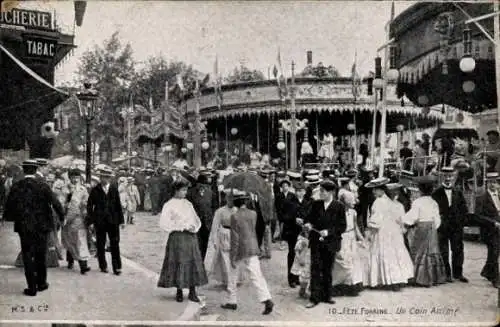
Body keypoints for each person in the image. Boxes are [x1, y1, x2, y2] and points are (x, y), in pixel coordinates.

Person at [3, 160, 65, 296]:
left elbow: (9, 207)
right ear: (36, 170)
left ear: (24, 170)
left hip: (24, 227)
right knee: (40, 254)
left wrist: (12, 218)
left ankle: (31, 287)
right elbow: (55, 203)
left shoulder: (17, 186)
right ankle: (41, 283)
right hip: (42, 226)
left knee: (27, 255)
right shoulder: (43, 185)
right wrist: (62, 217)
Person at [221, 190, 274, 315]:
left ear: (235, 203)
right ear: (246, 201)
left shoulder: (234, 216)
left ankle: (232, 301)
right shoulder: (253, 214)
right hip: (253, 246)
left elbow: (235, 238)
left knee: (232, 275)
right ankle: (267, 299)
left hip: (240, 249)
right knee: (257, 275)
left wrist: (233, 257)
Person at [157, 179, 208, 302]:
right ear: (176, 190)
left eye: (186, 190)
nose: (185, 192)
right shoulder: (169, 205)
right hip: (177, 237)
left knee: (192, 262)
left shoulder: (188, 204)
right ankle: (179, 290)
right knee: (178, 261)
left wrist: (193, 227)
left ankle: (192, 291)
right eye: (183, 190)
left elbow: (195, 219)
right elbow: (164, 223)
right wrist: (180, 227)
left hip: (190, 236)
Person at [300, 179, 346, 308]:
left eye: (323, 191)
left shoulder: (339, 206)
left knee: (327, 269)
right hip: (316, 242)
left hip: (330, 243)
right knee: (315, 269)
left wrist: (329, 232)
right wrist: (308, 224)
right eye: (320, 191)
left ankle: (327, 295)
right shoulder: (316, 204)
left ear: (331, 192)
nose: (320, 193)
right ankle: (314, 298)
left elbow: (342, 226)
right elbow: (309, 218)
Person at [364, 177, 414, 291]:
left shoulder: (378, 202)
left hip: (383, 231)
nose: (373, 192)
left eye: (375, 189)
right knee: (394, 254)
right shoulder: (392, 202)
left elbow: (376, 221)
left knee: (383, 253)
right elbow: (399, 218)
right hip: (393, 232)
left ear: (381, 190)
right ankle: (395, 279)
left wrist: (370, 229)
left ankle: (384, 279)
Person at [401, 176, 447, 287]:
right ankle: (434, 277)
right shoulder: (433, 202)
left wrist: (403, 220)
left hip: (422, 227)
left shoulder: (418, 202)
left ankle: (419, 278)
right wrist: (433, 227)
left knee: (418, 250)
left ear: (420, 190)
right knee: (431, 250)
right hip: (431, 227)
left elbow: (412, 217)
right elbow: (437, 219)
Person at [432, 166, 469, 283]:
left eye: (450, 176)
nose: (448, 178)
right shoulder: (436, 193)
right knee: (443, 250)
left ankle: (458, 274)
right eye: (445, 176)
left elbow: (464, 209)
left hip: (456, 226)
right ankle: (446, 274)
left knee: (458, 249)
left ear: (453, 177)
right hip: (442, 227)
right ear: (441, 176)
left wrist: (462, 222)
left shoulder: (458, 192)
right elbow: (434, 210)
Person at [87, 168, 125, 275]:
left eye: (108, 177)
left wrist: (121, 220)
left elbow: (118, 205)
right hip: (100, 221)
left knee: (115, 244)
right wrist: (91, 221)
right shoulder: (95, 190)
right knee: (100, 243)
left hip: (113, 221)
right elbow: (89, 206)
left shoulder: (114, 189)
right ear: (100, 178)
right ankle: (103, 265)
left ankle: (117, 267)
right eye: (103, 177)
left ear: (110, 178)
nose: (106, 179)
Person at [332, 191, 365, 296]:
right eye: (352, 200)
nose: (355, 202)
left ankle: (350, 286)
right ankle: (336, 285)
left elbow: (355, 227)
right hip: (342, 238)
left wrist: (362, 239)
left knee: (353, 262)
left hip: (351, 239)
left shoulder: (353, 212)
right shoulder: (337, 212)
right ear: (345, 201)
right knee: (341, 263)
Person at [204, 188, 237, 286]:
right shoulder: (220, 211)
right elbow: (215, 226)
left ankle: (235, 278)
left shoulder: (237, 210)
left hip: (235, 234)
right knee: (225, 258)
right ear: (225, 199)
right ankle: (227, 280)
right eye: (228, 198)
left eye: (232, 198)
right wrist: (214, 239)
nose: (230, 200)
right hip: (224, 235)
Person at [61, 169, 91, 275]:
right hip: (68, 218)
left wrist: (85, 207)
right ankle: (70, 260)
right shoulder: (65, 189)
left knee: (81, 241)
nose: (75, 179)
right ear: (69, 178)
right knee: (70, 240)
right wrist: (66, 204)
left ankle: (84, 265)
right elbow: (60, 202)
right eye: (73, 177)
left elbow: (87, 202)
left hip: (79, 219)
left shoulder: (83, 189)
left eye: (77, 177)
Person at [474, 172, 500, 288]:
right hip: (489, 230)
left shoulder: (499, 196)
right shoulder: (481, 198)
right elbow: (478, 216)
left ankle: (486, 271)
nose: (494, 184)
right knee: (494, 252)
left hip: (499, 230)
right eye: (491, 182)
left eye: (496, 182)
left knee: (494, 253)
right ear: (487, 183)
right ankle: (496, 279)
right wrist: (493, 223)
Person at [276, 179, 301, 288]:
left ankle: (297, 277)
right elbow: (280, 212)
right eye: (299, 190)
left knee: (299, 254)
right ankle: (291, 278)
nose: (300, 192)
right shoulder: (284, 199)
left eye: (302, 190)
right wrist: (288, 219)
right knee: (292, 253)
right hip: (290, 229)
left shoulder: (298, 198)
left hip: (300, 230)